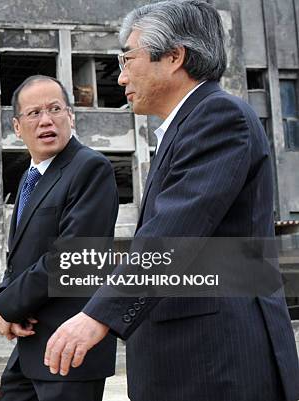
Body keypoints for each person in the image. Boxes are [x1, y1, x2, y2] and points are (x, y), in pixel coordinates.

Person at [44, 2, 299, 401]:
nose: (122, 76)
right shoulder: (186, 126)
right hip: (193, 362)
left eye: (128, 59)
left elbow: (174, 234)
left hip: (218, 364)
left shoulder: (218, 117)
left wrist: (97, 316)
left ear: (175, 56)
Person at [0, 75, 119, 401]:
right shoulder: (30, 176)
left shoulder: (90, 168)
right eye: (34, 113)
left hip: (70, 349)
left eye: (55, 109)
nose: (46, 120)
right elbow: (19, 256)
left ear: (71, 116)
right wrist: (6, 299)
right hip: (31, 346)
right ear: (17, 126)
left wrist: (6, 306)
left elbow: (70, 258)